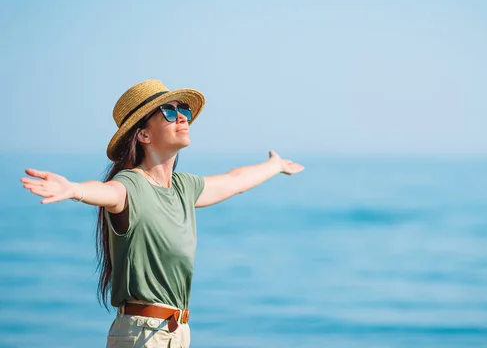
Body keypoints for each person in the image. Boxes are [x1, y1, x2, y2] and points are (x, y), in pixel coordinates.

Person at [20, 79, 304, 348]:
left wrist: (274, 165)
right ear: (143, 134)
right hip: (142, 335)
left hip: (175, 333)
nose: (182, 117)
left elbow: (233, 181)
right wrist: (73, 189)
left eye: (184, 111)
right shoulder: (131, 183)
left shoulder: (184, 188)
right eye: (169, 112)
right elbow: (110, 192)